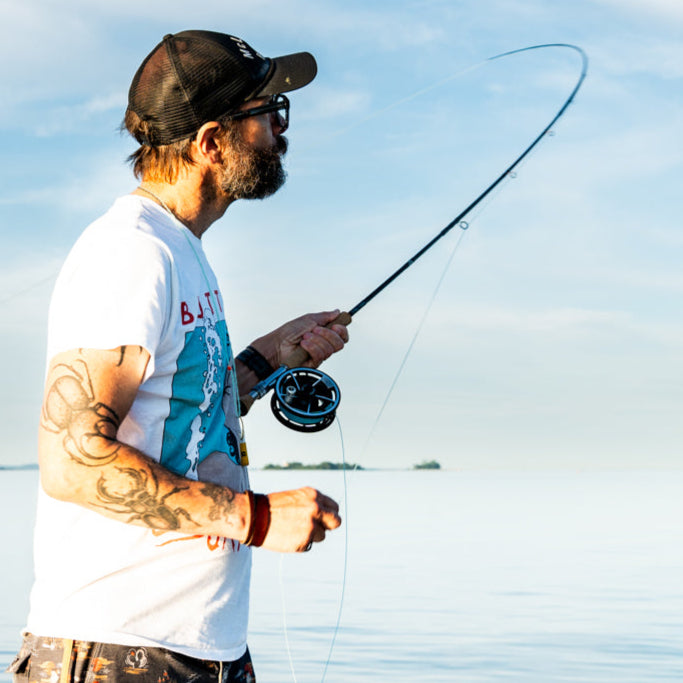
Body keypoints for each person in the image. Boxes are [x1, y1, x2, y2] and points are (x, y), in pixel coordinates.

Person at [9, 30, 349, 683]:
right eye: (268, 113)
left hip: (200, 650)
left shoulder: (181, 250)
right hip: (117, 652)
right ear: (212, 141)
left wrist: (268, 358)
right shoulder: (131, 252)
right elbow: (72, 459)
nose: (281, 131)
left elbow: (181, 420)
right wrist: (255, 518)